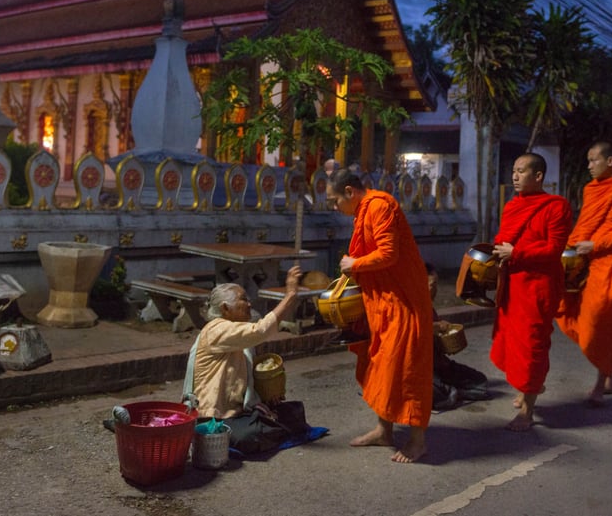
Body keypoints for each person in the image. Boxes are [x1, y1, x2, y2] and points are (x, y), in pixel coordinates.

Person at [327, 169, 433, 463]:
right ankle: (384, 430)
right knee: (381, 367)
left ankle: (417, 440)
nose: (335, 208)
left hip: (404, 302)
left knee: (408, 368)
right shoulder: (364, 211)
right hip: (382, 301)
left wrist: (356, 262)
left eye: (335, 201)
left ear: (350, 191)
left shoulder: (379, 206)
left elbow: (388, 254)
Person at [555, 141, 612, 405]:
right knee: (570, 312)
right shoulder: (590, 190)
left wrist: (597, 245)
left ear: (610, 161)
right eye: (587, 161)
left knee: (600, 321)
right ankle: (610, 377)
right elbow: (586, 223)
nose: (589, 166)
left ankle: (601, 381)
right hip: (586, 260)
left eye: (594, 160)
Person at [185, 271, 318, 455]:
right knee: (250, 435)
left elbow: (245, 375)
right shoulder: (216, 329)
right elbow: (261, 330)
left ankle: (266, 424)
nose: (249, 304)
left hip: (237, 411)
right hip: (214, 417)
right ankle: (260, 427)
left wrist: (264, 396)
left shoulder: (235, 331)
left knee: (293, 412)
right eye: (243, 300)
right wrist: (290, 296)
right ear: (225, 308)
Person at [490, 152, 572, 430]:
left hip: (538, 287)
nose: (514, 176)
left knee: (532, 344)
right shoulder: (513, 206)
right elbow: (503, 240)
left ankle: (527, 410)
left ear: (538, 176)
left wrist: (517, 252)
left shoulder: (556, 207)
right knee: (514, 344)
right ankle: (527, 388)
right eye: (513, 170)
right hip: (513, 284)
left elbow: (554, 249)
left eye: (521, 171)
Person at [427, 263, 490, 411]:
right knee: (434, 392)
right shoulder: (411, 308)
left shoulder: (429, 307)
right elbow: (414, 329)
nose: (435, 289)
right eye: (432, 284)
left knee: (481, 383)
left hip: (441, 365)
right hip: (422, 369)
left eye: (436, 284)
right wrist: (437, 327)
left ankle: (452, 391)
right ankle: (447, 391)